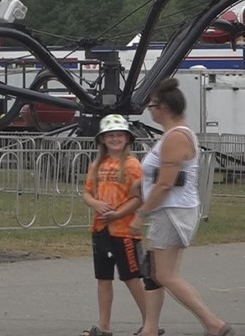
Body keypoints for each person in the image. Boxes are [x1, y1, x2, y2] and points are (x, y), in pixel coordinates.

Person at [135, 78, 236, 336]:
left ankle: (214, 324)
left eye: (152, 105)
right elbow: (160, 178)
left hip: (172, 211)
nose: (149, 109)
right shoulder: (174, 134)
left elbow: (165, 184)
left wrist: (141, 213)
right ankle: (150, 328)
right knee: (156, 271)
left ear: (164, 107)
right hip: (171, 209)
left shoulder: (176, 137)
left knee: (166, 274)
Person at [80, 114, 149, 336]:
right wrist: (96, 204)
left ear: (127, 138)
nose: (115, 139)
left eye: (119, 135)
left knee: (131, 277)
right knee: (103, 278)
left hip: (125, 231)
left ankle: (150, 323)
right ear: (102, 139)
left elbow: (139, 197)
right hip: (101, 229)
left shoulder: (132, 165)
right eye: (110, 136)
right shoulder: (97, 165)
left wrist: (119, 213)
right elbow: (87, 193)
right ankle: (104, 326)